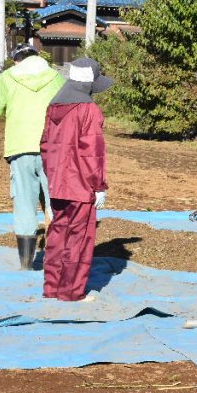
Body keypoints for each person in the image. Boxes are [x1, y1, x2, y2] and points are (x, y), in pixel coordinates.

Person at [39, 58, 111, 302]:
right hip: (80, 184)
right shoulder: (88, 109)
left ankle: (52, 288)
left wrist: (52, 177)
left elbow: (45, 146)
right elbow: (92, 152)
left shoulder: (53, 106)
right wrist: (98, 185)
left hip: (57, 183)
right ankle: (71, 292)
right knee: (79, 238)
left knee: (58, 234)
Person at [0, 43, 64, 269]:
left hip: (20, 147)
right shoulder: (56, 77)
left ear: (16, 60)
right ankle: (57, 260)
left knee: (23, 202)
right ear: (37, 57)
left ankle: (26, 264)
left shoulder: (8, 77)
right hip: (53, 148)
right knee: (55, 201)